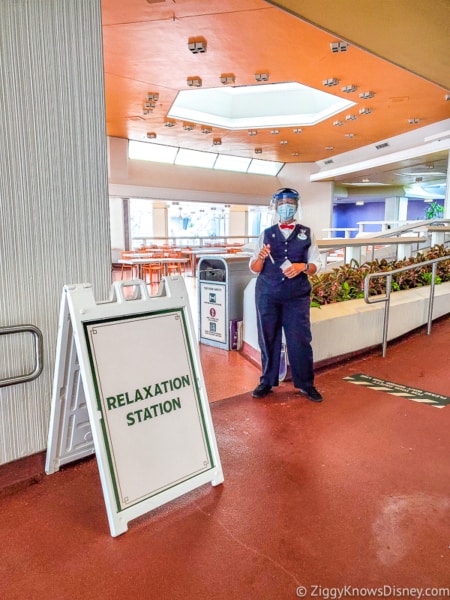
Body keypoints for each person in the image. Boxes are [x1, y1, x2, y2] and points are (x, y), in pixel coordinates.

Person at [249, 187, 323, 402]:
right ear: (276, 207)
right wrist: (262, 257)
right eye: (282, 204)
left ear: (297, 206)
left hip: (296, 295)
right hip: (267, 294)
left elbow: (317, 264)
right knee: (268, 337)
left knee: (299, 339)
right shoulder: (266, 233)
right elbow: (254, 267)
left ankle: (306, 384)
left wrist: (303, 266)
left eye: (291, 204)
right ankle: (267, 381)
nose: (286, 207)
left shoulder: (307, 233)